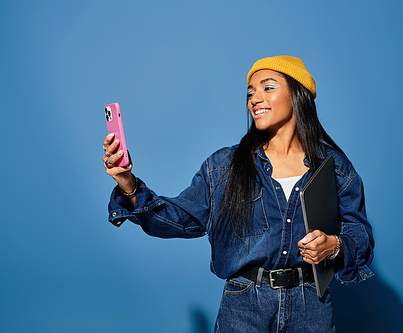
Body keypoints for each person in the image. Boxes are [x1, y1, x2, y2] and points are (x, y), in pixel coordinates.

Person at [102, 55, 374, 332]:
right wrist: (128, 184)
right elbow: (178, 219)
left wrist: (334, 245)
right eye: (250, 92)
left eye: (268, 87)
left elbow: (360, 234)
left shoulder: (334, 167)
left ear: (297, 94)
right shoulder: (224, 166)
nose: (255, 98)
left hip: (311, 307)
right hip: (245, 310)